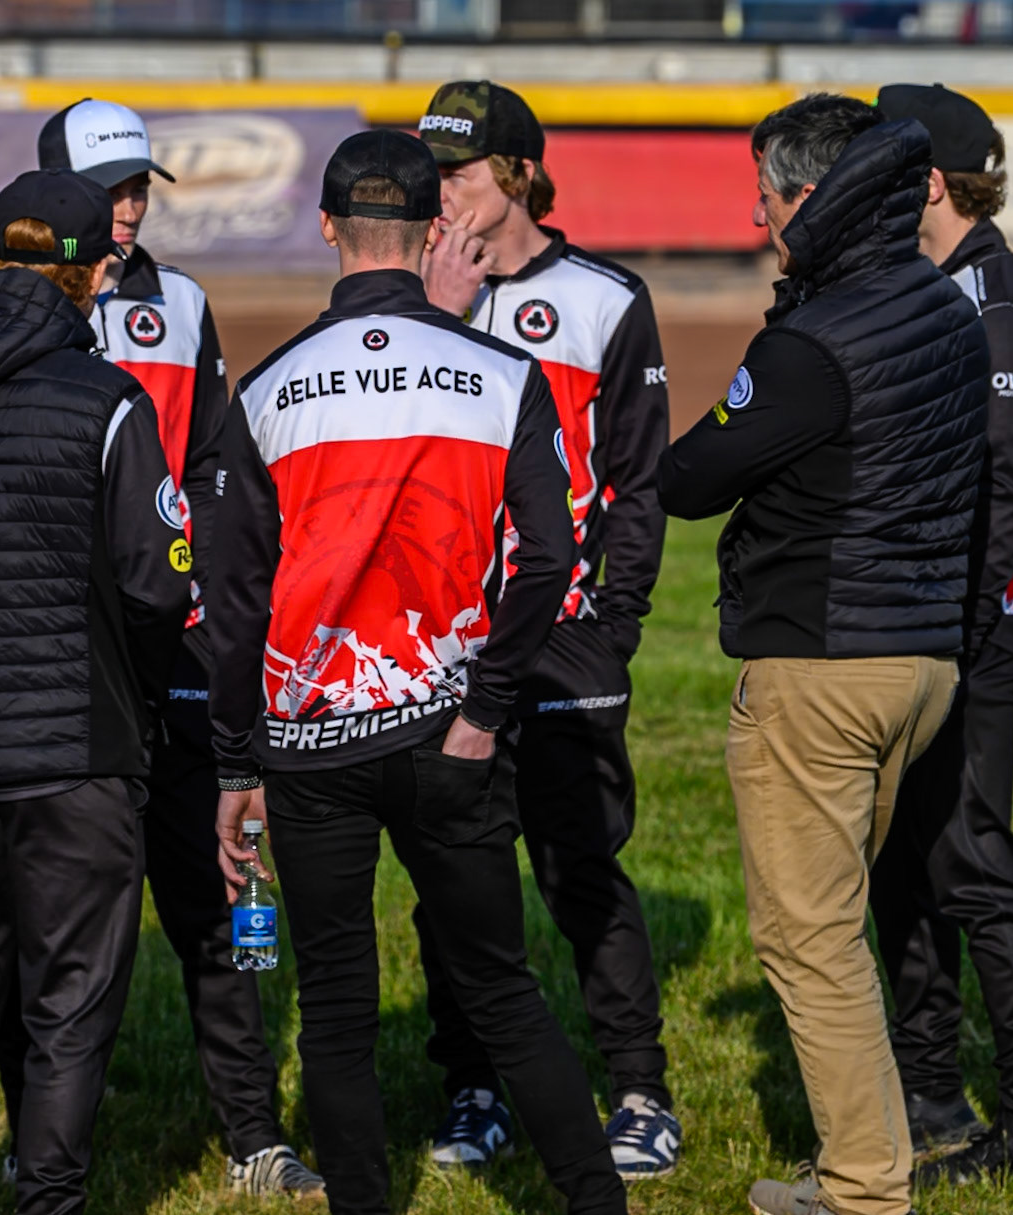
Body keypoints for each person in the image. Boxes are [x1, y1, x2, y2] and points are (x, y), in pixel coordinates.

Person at [206, 128, 628, 1215]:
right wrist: (485, 709)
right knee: (501, 990)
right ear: (430, 233)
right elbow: (553, 555)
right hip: (451, 736)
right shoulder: (500, 375)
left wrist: (233, 763)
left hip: (309, 752)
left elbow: (235, 603)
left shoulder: (261, 392)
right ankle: (595, 1199)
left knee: (338, 1009)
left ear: (325, 228)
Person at [655, 95, 989, 1215]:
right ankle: (868, 1161)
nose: (757, 222)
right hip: (920, 664)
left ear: (811, 197)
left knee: (811, 945)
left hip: (820, 666)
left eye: (765, 197)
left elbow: (690, 481)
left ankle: (861, 1192)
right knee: (840, 927)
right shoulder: (944, 311)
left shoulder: (810, 343)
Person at [16, 97, 322, 1198]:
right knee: (54, 922)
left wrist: (197, 588)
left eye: (139, 185)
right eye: (110, 189)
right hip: (63, 664)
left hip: (179, 654)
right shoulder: (14, 306)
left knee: (218, 899)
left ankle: (252, 1133)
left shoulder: (184, 304)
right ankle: (43, 1149)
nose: (129, 206)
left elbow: (208, 467)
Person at [0, 168, 193, 1215]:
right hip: (78, 763)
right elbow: (158, 588)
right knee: (67, 1008)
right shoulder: (109, 401)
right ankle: (48, 1197)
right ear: (88, 272)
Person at [414, 78, 680, 1179]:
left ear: (519, 173)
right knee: (455, 882)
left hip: (565, 643)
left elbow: (639, 480)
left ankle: (636, 1088)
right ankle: (471, 1086)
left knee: (580, 871)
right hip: (446, 647)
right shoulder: (424, 294)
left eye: (462, 170)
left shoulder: (605, 299)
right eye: (432, 171)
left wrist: (614, 621)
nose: (443, 191)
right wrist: (430, 314)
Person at [867, 82, 1013, 1185]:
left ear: (931, 184)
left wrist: (953, 636)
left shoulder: (992, 301)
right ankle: (928, 1085)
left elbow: (1000, 493)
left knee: (971, 864)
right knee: (904, 860)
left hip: (974, 631)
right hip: (931, 622)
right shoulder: (940, 282)